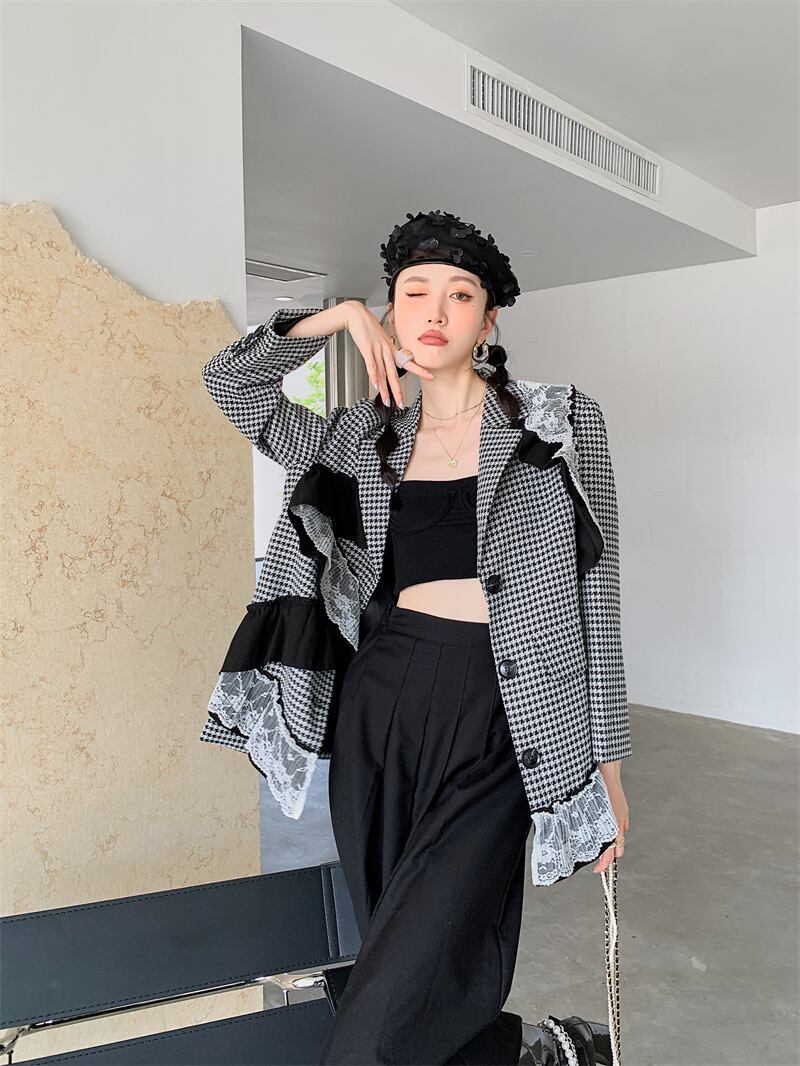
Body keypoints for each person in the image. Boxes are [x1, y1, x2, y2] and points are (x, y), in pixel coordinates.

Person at [199, 209, 631, 1065]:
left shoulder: (559, 423)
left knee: (399, 991)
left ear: (488, 319)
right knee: (400, 953)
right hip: (381, 707)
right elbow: (231, 384)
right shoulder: (357, 433)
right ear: (390, 312)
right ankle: (530, 1053)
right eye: (413, 293)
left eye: (460, 295)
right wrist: (330, 319)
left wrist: (607, 773)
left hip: (505, 713)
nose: (435, 311)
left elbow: (600, 597)